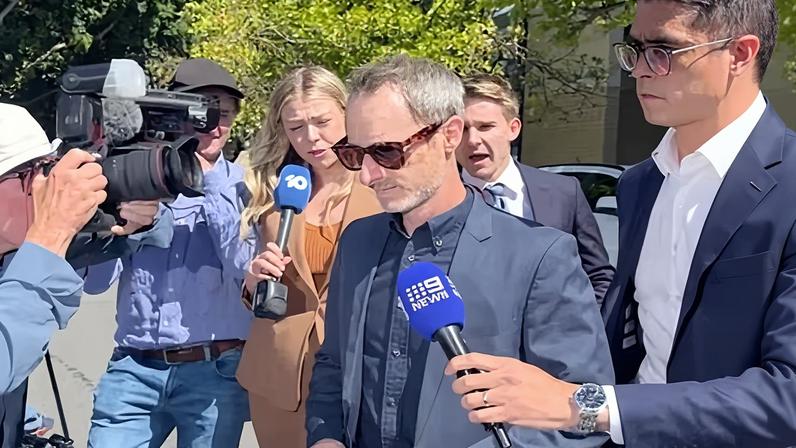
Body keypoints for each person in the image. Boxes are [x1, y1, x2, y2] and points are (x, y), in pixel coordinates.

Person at [445, 1, 796, 446]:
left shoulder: (788, 186)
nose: (640, 70)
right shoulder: (640, 184)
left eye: (664, 50)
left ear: (740, 54)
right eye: (636, 48)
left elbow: (788, 396)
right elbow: (629, 341)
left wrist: (585, 406)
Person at [305, 54, 613, 448]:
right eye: (354, 154)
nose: (367, 175)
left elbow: (581, 411)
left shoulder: (541, 255)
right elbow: (334, 363)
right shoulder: (357, 242)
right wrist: (325, 436)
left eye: (386, 152)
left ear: (450, 134)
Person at [85, 59, 255, 447]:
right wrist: (114, 215)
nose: (212, 126)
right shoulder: (136, 177)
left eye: (223, 114)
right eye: (200, 113)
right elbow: (96, 284)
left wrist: (207, 181)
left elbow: (241, 268)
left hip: (216, 371)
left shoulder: (247, 188)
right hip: (133, 367)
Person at [236, 65, 382, 447]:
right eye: (295, 127)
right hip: (281, 377)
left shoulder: (384, 187)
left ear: (348, 113)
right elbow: (263, 298)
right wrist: (253, 280)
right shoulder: (272, 196)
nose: (311, 138)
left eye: (322, 121)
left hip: (361, 373)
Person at [0, 103, 158, 446]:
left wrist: (133, 216)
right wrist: (52, 231)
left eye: (49, 168)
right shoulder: (35, 245)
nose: (48, 186)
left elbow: (137, 239)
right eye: (32, 171)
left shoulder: (13, 255)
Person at [457, 73, 614, 303]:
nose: (472, 140)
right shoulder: (435, 201)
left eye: (485, 127)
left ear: (513, 128)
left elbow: (598, 275)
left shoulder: (563, 193)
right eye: (463, 128)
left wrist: (580, 332)